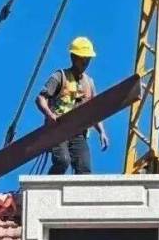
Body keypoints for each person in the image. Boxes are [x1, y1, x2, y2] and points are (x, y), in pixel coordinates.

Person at [35, 36, 109, 175]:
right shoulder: (60, 76)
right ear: (74, 58)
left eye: (88, 59)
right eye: (83, 59)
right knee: (63, 161)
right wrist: (49, 115)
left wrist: (102, 132)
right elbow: (40, 98)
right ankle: (49, 185)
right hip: (58, 129)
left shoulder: (89, 83)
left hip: (78, 132)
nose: (86, 62)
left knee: (84, 168)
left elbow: (94, 111)